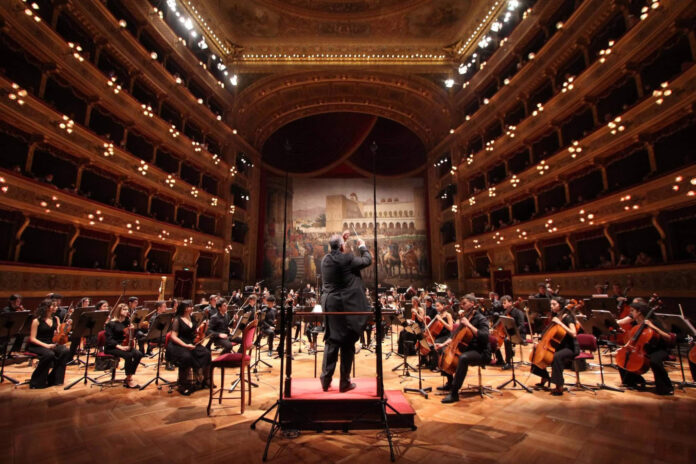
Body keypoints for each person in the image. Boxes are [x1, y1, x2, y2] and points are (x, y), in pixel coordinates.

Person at [319, 233, 371, 393]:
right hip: (345, 305)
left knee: (331, 341)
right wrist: (362, 246)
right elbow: (367, 261)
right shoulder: (347, 258)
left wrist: (342, 240)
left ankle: (325, 380)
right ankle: (344, 382)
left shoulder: (325, 260)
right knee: (348, 342)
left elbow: (337, 252)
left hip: (329, 304)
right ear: (342, 246)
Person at [436, 294, 491, 403]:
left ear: (473, 304)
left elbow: (484, 336)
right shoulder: (465, 317)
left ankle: (454, 393)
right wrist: (443, 345)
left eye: (464, 304)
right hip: (468, 348)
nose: (462, 306)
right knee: (443, 351)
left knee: (463, 358)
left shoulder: (481, 318)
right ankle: (449, 383)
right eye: (461, 304)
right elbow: (454, 336)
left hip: (481, 351)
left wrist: (469, 325)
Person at [617, 299, 674, 395]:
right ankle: (634, 381)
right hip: (643, 349)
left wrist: (652, 326)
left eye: (632, 311)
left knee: (654, 361)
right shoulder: (637, 324)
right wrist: (623, 348)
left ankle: (666, 387)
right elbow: (633, 340)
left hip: (658, 349)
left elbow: (669, 337)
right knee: (623, 356)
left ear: (639, 312)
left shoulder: (654, 322)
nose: (630, 313)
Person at [530, 297, 578, 396]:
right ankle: (544, 376)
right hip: (559, 346)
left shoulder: (567, 317)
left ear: (560, 305)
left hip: (570, 347)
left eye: (554, 304)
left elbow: (574, 333)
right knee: (536, 351)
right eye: (551, 304)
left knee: (556, 357)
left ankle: (559, 386)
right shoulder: (556, 316)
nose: (551, 306)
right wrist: (539, 342)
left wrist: (560, 323)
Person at [166, 301, 211, 395]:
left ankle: (205, 380)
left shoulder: (192, 317)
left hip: (190, 342)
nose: (192, 308)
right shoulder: (177, 319)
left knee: (206, 353)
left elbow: (195, 331)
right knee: (186, 357)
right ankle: (183, 385)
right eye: (190, 306)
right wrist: (185, 345)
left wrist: (204, 328)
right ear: (184, 308)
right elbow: (173, 336)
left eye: (191, 306)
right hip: (178, 344)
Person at [26, 299, 71, 388]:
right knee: (49, 354)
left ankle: (55, 379)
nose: (56, 307)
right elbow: (32, 338)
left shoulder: (56, 319)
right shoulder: (36, 321)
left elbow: (60, 333)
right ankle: (37, 381)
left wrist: (66, 326)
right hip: (37, 345)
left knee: (65, 351)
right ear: (46, 307)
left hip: (51, 344)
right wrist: (46, 346)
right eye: (53, 306)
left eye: (56, 306)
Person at [104, 303, 143, 388]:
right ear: (119, 311)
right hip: (112, 347)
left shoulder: (127, 322)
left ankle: (128, 376)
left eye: (127, 309)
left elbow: (132, 336)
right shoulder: (111, 323)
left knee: (139, 354)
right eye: (124, 309)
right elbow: (109, 339)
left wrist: (134, 329)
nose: (126, 311)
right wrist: (119, 346)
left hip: (125, 344)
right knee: (128, 355)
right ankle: (129, 380)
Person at [492, 295, 527, 369]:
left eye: (505, 303)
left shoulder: (518, 312)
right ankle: (500, 360)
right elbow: (500, 322)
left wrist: (512, 334)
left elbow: (521, 326)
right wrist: (493, 328)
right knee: (493, 339)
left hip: (519, 334)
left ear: (510, 303)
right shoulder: (505, 312)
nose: (503, 304)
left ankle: (508, 363)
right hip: (508, 333)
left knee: (507, 340)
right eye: (502, 303)